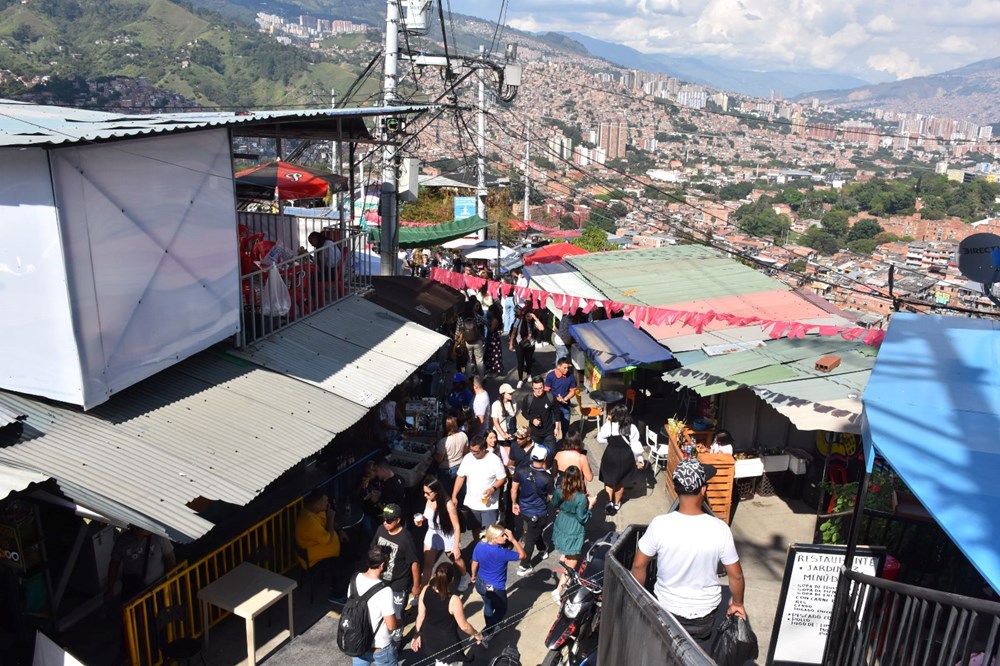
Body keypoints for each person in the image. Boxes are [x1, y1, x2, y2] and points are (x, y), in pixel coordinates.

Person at [630, 459, 746, 650]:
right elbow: (736, 575)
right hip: (704, 615)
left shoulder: (660, 524)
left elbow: (638, 566)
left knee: (665, 652)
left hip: (666, 608)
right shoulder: (720, 529)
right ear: (703, 490)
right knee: (695, 655)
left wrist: (638, 597)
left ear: (677, 490)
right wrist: (738, 603)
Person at [411, 562, 483, 665]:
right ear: (452, 579)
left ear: (436, 575)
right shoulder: (453, 600)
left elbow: (421, 616)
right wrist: (477, 634)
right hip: (446, 641)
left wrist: (416, 635)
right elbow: (464, 626)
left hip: (429, 635)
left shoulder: (426, 590)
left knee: (438, 660)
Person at [371, 504, 421, 629]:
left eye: (388, 520)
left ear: (397, 520)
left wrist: (415, 586)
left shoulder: (406, 539)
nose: (385, 523)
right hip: (380, 581)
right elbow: (373, 551)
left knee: (397, 614)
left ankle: (397, 639)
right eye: (383, 519)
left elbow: (414, 563)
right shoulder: (380, 530)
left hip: (398, 584)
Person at [294, 488, 350, 601]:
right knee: (344, 569)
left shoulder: (317, 511)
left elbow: (330, 524)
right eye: (325, 501)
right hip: (314, 560)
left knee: (349, 550)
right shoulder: (309, 521)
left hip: (327, 551)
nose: (327, 503)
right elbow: (327, 540)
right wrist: (331, 518)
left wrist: (340, 531)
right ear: (317, 503)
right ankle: (337, 595)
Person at [471, 524, 526, 637]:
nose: (506, 537)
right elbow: (522, 555)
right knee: (501, 609)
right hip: (495, 587)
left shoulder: (480, 545)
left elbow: (474, 562)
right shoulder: (502, 553)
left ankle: (490, 626)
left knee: (488, 604)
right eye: (503, 535)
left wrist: (473, 575)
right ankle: (487, 632)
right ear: (494, 538)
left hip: (481, 582)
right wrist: (513, 540)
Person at [551, 466, 596, 602]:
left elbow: (554, 503)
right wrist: (591, 505)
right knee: (572, 563)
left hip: (562, 521)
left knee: (566, 545)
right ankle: (558, 590)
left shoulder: (559, 491)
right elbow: (582, 518)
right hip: (573, 527)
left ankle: (564, 555)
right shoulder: (581, 497)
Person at [451, 436, 508, 543]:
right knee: (475, 529)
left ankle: (488, 553)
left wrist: (493, 489)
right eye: (471, 451)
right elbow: (460, 477)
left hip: (488, 505)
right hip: (472, 503)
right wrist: (454, 495)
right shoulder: (468, 458)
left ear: (483, 449)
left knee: (489, 533)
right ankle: (479, 548)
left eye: (476, 452)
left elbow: (502, 478)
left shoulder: (494, 460)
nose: (473, 454)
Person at [349, 546, 399, 666]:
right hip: (380, 647)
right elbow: (391, 625)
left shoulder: (354, 579)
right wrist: (400, 622)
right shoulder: (385, 591)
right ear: (382, 565)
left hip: (358, 643)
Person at [419, 477, 470, 592]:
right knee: (427, 564)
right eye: (424, 492)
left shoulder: (448, 505)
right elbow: (427, 514)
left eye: (427, 493)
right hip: (432, 533)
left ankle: (464, 576)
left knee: (455, 559)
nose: (425, 495)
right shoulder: (429, 500)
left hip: (446, 535)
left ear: (436, 491)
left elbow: (456, 526)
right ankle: (422, 592)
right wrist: (421, 518)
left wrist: (456, 547)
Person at [511, 445, 554, 575]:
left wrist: (514, 503)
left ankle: (542, 549)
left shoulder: (521, 470)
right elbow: (550, 497)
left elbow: (513, 489)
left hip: (524, 509)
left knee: (534, 531)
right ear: (545, 458)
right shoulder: (547, 478)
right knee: (530, 538)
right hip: (539, 512)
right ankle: (524, 566)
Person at [105, 526, 176, 602]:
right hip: (133, 592)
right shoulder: (122, 541)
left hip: (158, 589)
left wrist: (172, 581)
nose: (149, 529)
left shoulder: (159, 537)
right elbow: (114, 565)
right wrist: (110, 589)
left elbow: (170, 558)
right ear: (134, 528)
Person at [597, 405, 646, 516]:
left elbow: (600, 439)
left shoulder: (608, 426)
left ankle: (609, 501)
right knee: (620, 482)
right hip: (625, 456)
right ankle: (617, 503)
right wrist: (640, 458)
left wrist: (609, 440)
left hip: (611, 455)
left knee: (609, 480)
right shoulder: (632, 428)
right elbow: (635, 444)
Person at [509, 305, 545, 389]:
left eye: (530, 316)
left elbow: (542, 328)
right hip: (519, 344)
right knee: (520, 362)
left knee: (529, 361)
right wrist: (511, 344)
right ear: (524, 315)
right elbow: (513, 333)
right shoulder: (519, 321)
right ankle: (520, 380)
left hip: (530, 345)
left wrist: (535, 318)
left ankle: (529, 375)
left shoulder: (534, 323)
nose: (529, 318)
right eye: (527, 316)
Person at [544, 357, 578, 440]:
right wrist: (556, 398)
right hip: (552, 407)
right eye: (564, 368)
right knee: (551, 427)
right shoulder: (550, 376)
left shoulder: (570, 377)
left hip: (565, 406)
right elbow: (546, 391)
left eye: (568, 367)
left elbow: (573, 391)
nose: (567, 370)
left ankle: (564, 444)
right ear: (558, 366)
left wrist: (565, 399)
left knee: (565, 428)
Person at [521, 376, 557, 451]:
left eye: (540, 388)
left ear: (544, 386)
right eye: (536, 388)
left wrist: (557, 427)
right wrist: (532, 420)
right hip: (534, 433)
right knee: (537, 455)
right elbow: (524, 412)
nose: (538, 391)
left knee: (551, 452)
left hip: (549, 432)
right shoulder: (528, 399)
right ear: (532, 388)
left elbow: (557, 412)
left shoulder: (550, 396)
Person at [435, 416, 469, 491]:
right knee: (460, 494)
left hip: (446, 471)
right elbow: (465, 453)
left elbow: (439, 459)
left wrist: (432, 451)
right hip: (460, 467)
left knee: (446, 495)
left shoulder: (443, 441)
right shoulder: (463, 436)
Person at [457, 299, 487, 379]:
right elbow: (485, 321)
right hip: (477, 340)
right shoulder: (476, 316)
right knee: (479, 361)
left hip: (467, 342)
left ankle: (468, 379)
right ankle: (481, 378)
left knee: (469, 361)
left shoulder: (461, 318)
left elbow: (457, 332)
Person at [490, 383, 519, 448]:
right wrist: (503, 435)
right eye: (509, 393)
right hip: (500, 437)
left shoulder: (514, 402)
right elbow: (495, 422)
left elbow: (514, 418)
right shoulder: (496, 405)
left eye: (512, 393)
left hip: (512, 434)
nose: (511, 395)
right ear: (503, 394)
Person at [485, 298, 506, 376]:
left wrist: (486, 324)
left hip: (493, 338)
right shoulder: (496, 319)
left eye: (490, 311)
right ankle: (495, 369)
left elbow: (491, 330)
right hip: (494, 337)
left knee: (494, 354)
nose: (489, 312)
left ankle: (496, 370)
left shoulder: (494, 320)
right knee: (493, 354)